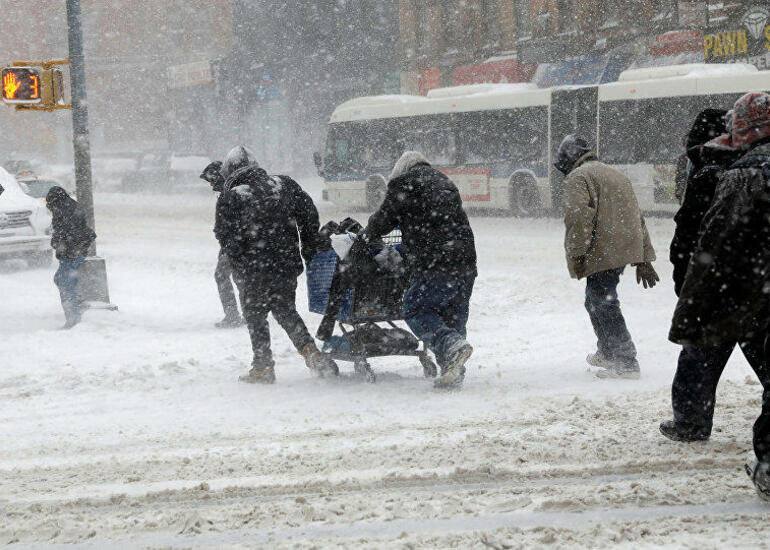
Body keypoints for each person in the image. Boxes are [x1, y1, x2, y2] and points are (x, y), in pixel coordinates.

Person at [668, 92, 770, 500]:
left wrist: (691, 296)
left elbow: (700, 236)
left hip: (738, 289)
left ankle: (691, 422)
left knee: (700, 355)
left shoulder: (727, 172)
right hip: (750, 288)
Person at [352, 151, 477, 389]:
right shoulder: (444, 181)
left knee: (415, 309)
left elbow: (382, 221)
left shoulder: (404, 184)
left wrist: (365, 236)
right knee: (452, 317)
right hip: (466, 261)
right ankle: (453, 371)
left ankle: (452, 347)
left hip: (436, 261)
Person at [215, 146, 337, 384]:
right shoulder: (284, 185)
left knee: (255, 315)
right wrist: (308, 245)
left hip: (252, 270)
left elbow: (224, 236)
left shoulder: (231, 196)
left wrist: (240, 259)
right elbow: (309, 214)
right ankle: (311, 353)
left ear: (231, 171)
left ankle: (263, 367)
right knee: (285, 310)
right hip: (285, 264)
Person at [556, 135, 659, 380]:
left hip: (602, 250)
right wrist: (643, 258)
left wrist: (577, 255)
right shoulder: (617, 175)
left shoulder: (578, 177)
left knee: (603, 301)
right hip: (622, 248)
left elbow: (578, 220)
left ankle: (625, 360)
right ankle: (608, 352)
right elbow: (636, 217)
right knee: (595, 299)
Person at [200, 161, 244, 329]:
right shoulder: (232, 191)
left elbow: (228, 222)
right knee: (240, 278)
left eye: (212, 180)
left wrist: (222, 235)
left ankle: (233, 315)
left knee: (223, 276)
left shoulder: (229, 194)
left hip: (232, 244)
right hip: (234, 243)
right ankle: (248, 313)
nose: (211, 185)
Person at [46, 186, 96, 329]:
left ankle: (73, 319)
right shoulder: (70, 205)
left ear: (53, 201)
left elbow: (63, 233)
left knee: (65, 283)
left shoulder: (62, 210)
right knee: (62, 280)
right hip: (76, 250)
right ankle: (79, 302)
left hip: (72, 252)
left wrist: (57, 244)